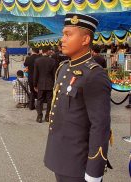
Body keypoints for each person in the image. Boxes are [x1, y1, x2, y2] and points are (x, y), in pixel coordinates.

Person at [44, 13, 112, 182]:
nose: (62, 39)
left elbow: (100, 126)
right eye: (63, 34)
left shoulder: (94, 75)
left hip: (79, 165)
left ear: (85, 40)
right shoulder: (64, 68)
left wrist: (94, 172)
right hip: (61, 156)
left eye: (68, 34)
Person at [33, 47, 56, 123]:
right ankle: (47, 116)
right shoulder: (52, 61)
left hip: (40, 83)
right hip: (50, 83)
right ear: (48, 51)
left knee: (40, 100)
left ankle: (39, 116)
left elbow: (35, 74)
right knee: (49, 100)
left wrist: (35, 84)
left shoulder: (37, 60)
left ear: (42, 51)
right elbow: (54, 74)